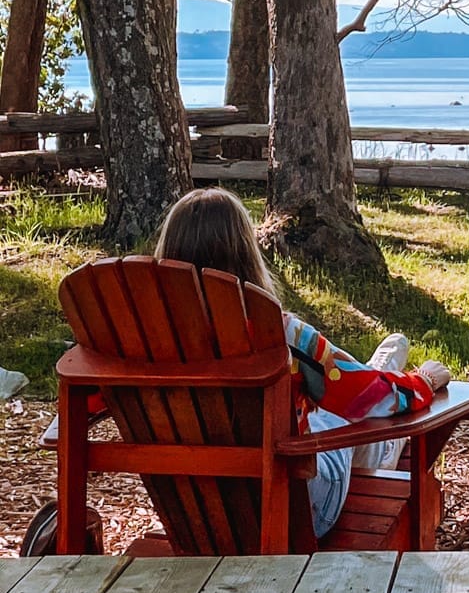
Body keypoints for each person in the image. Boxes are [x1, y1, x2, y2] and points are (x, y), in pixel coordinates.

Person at [154, 187, 451, 539]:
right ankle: (386, 396)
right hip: (298, 511)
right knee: (337, 408)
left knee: (321, 403)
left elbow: (84, 400)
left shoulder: (137, 340)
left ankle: (380, 366)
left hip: (193, 517)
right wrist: (424, 382)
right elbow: (366, 399)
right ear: (247, 255)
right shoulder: (278, 334)